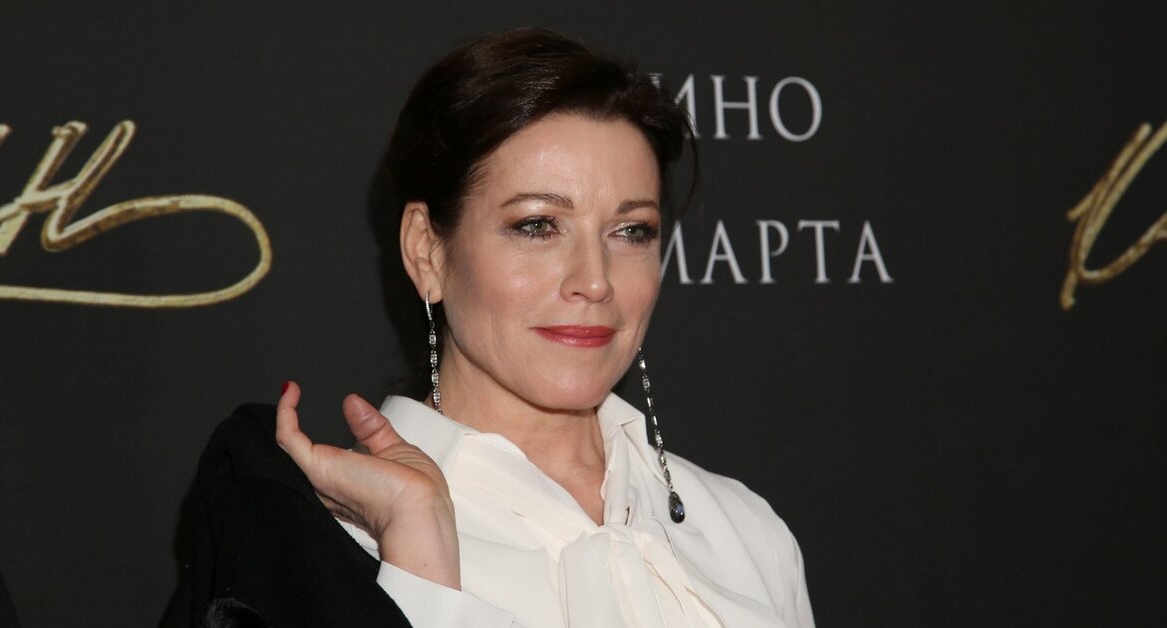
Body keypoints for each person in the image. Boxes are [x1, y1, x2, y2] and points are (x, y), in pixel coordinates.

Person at [163, 27, 815, 628]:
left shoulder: (743, 530)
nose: (595, 280)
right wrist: (421, 564)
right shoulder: (328, 545)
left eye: (630, 231)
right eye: (538, 225)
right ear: (427, 251)